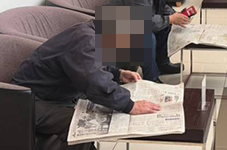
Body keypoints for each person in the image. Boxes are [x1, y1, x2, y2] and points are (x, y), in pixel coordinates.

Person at [12, 18, 161, 150]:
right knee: (80, 125)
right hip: (29, 100)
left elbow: (91, 64)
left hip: (54, 93)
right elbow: (94, 80)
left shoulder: (94, 33)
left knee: (98, 113)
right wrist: (130, 105)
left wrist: (118, 74)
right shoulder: (86, 41)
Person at [108, 0, 190, 82]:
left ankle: (162, 64)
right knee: (147, 36)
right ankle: (151, 77)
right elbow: (144, 23)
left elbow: (161, 4)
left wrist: (175, 15)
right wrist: (170, 19)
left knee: (165, 25)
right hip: (115, 29)